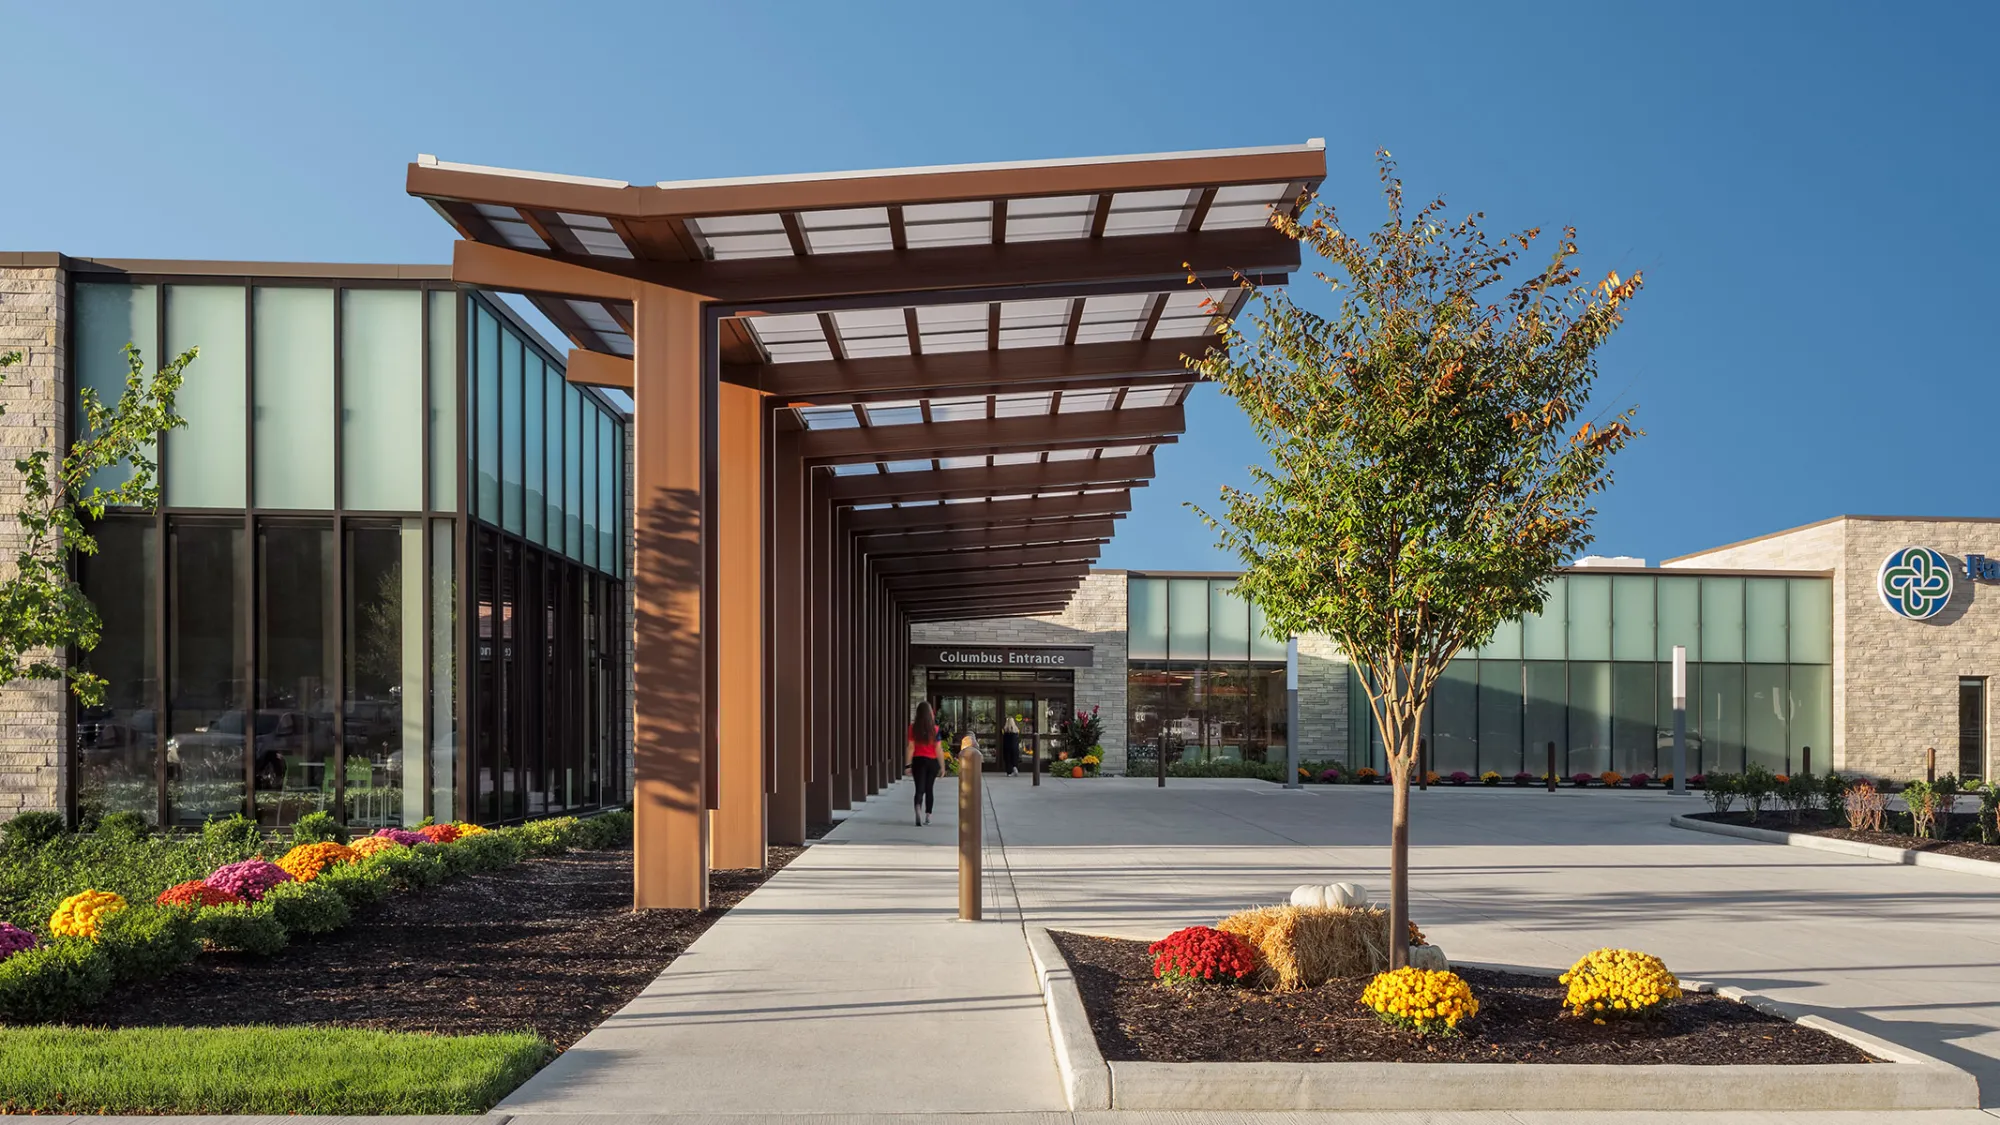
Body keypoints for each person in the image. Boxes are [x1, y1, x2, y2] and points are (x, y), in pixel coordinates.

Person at [907, 700, 941, 826]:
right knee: (929, 789)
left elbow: (910, 747)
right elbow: (938, 748)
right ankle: (928, 815)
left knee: (919, 789)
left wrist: (908, 765)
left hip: (918, 761)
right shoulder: (935, 729)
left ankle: (918, 807)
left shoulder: (912, 728)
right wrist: (942, 766)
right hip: (932, 761)